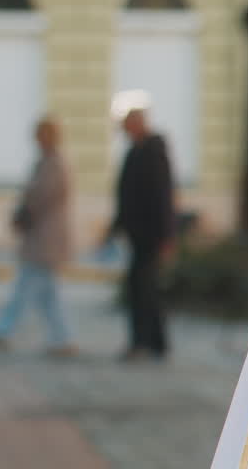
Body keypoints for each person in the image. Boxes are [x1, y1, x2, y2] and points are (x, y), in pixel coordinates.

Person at [0, 117, 77, 357]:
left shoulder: (55, 164)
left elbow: (40, 198)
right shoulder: (45, 162)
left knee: (28, 289)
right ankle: (61, 339)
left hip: (46, 240)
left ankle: (3, 330)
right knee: (47, 295)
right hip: (40, 240)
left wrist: (22, 215)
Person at [106, 107, 174, 361]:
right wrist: (116, 226)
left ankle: (147, 342)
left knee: (145, 289)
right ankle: (152, 342)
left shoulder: (153, 152)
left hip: (152, 235)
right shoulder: (135, 152)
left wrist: (167, 235)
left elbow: (163, 195)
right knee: (143, 288)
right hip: (138, 234)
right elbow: (126, 195)